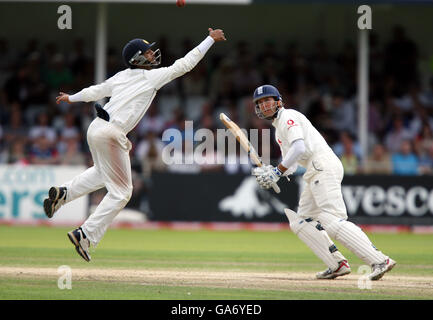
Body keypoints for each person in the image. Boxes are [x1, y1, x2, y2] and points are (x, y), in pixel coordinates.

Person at [44, 28, 226, 262]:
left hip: (95, 128)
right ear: (136, 58)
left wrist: (71, 97)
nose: (153, 56)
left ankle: (64, 193)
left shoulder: (120, 76)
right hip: (112, 132)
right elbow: (185, 64)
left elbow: (95, 91)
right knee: (122, 192)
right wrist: (210, 39)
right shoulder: (151, 77)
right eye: (148, 53)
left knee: (102, 173)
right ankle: (85, 235)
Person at [251, 84, 396, 281]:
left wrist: (277, 171)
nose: (265, 106)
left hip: (322, 166)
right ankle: (336, 264)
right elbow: (292, 162)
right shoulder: (278, 130)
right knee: (301, 221)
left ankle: (380, 260)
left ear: (278, 101)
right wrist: (272, 171)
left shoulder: (288, 116)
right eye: (260, 103)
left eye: (267, 100)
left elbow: (300, 148)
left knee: (330, 218)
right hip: (315, 170)